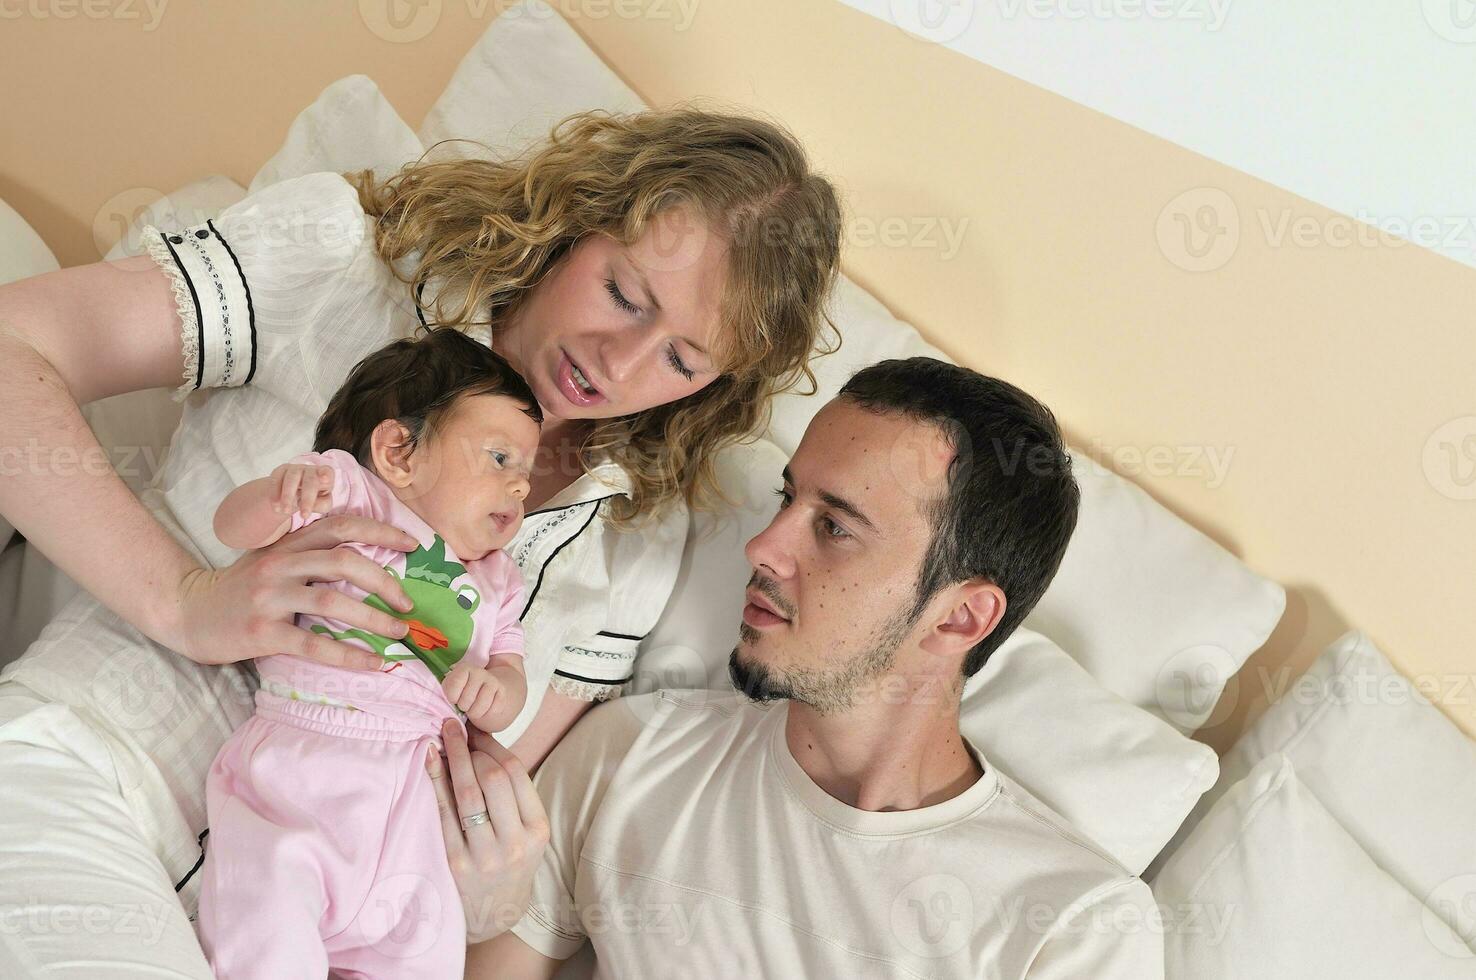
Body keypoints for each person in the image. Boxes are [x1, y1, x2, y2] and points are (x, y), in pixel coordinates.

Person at [0, 105, 842, 975]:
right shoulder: (346, 268)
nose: (619, 363)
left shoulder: (636, 538)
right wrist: (182, 601)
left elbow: (473, 777)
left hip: (349, 930)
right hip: (88, 782)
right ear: (575, 218)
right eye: (625, 294)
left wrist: (490, 891)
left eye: (682, 360)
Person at [463, 358, 1166, 978]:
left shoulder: (1075, 926)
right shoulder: (637, 752)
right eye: (786, 499)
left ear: (960, 618)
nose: (764, 547)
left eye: (833, 527)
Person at [200, 328, 543, 977]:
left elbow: (511, 674)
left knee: (423, 954)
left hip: (418, 804)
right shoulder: (354, 492)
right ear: (398, 453)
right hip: (306, 767)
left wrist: (498, 691)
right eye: (500, 459)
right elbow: (232, 528)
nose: (521, 487)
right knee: (268, 923)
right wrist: (279, 494)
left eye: (526, 473)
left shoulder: (499, 580)